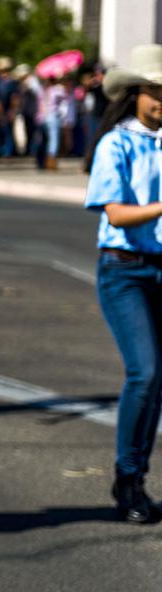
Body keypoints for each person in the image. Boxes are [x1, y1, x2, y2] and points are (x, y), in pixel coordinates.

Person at [82, 43, 162, 524]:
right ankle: (126, 476)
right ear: (134, 94)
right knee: (145, 371)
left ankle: (138, 478)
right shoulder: (117, 143)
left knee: (159, 382)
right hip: (123, 269)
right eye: (155, 92)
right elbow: (115, 212)